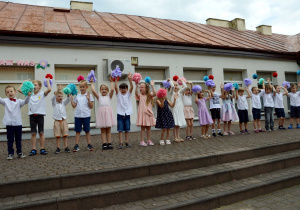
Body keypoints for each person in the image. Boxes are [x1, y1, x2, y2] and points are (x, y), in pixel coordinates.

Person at [18, 78, 52, 156]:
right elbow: (19, 89)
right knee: (33, 133)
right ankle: (33, 149)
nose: (34, 86)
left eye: (35, 85)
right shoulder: (29, 94)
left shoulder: (42, 94)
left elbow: (49, 89)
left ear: (39, 87)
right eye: (32, 85)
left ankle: (42, 148)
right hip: (32, 116)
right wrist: (25, 82)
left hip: (40, 116)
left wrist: (47, 81)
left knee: (41, 132)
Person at [1, 85, 30, 160]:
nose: (10, 93)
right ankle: (10, 153)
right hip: (9, 124)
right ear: (6, 94)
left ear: (15, 92)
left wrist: (28, 95)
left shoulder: (19, 101)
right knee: (10, 140)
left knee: (18, 139)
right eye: (7, 92)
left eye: (11, 91)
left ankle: (19, 152)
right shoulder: (5, 101)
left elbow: (26, 101)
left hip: (18, 123)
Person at [90, 76, 116, 150]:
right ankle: (104, 143)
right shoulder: (99, 97)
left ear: (107, 90)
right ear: (100, 90)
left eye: (105, 89)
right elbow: (93, 91)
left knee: (108, 129)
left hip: (108, 114)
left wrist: (111, 82)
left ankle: (109, 143)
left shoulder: (109, 97)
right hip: (102, 115)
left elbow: (112, 89)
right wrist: (92, 83)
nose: (104, 90)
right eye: (102, 89)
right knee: (103, 130)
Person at [70, 78, 94, 152]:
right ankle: (76, 145)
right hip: (78, 116)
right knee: (78, 131)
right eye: (80, 87)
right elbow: (74, 106)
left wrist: (88, 99)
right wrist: (71, 98)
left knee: (87, 130)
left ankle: (89, 144)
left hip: (86, 115)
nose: (82, 88)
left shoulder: (89, 95)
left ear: (86, 87)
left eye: (83, 87)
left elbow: (91, 106)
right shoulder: (77, 96)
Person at [115, 73, 133, 149]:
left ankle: (127, 141)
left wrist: (130, 79)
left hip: (127, 113)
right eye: (121, 88)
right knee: (120, 129)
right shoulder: (118, 94)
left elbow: (132, 87)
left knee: (127, 129)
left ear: (127, 89)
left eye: (125, 88)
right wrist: (115, 79)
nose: (123, 90)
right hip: (120, 114)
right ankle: (121, 142)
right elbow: (115, 88)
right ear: (119, 89)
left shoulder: (128, 94)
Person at [135, 80, 157, 146]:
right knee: (143, 127)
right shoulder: (140, 96)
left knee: (149, 127)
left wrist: (152, 86)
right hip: (142, 114)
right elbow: (136, 93)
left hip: (148, 113)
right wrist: (136, 86)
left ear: (146, 89)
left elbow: (155, 94)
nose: (140, 88)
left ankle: (149, 140)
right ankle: (142, 141)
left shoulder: (149, 95)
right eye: (140, 87)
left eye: (142, 87)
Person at [52, 85, 71, 154]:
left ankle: (66, 147)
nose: (60, 97)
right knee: (57, 135)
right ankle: (58, 147)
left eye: (61, 96)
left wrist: (68, 93)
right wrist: (57, 90)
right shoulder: (54, 103)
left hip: (63, 121)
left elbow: (68, 99)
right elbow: (53, 98)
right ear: (56, 97)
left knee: (65, 135)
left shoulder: (63, 103)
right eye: (59, 96)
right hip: (57, 121)